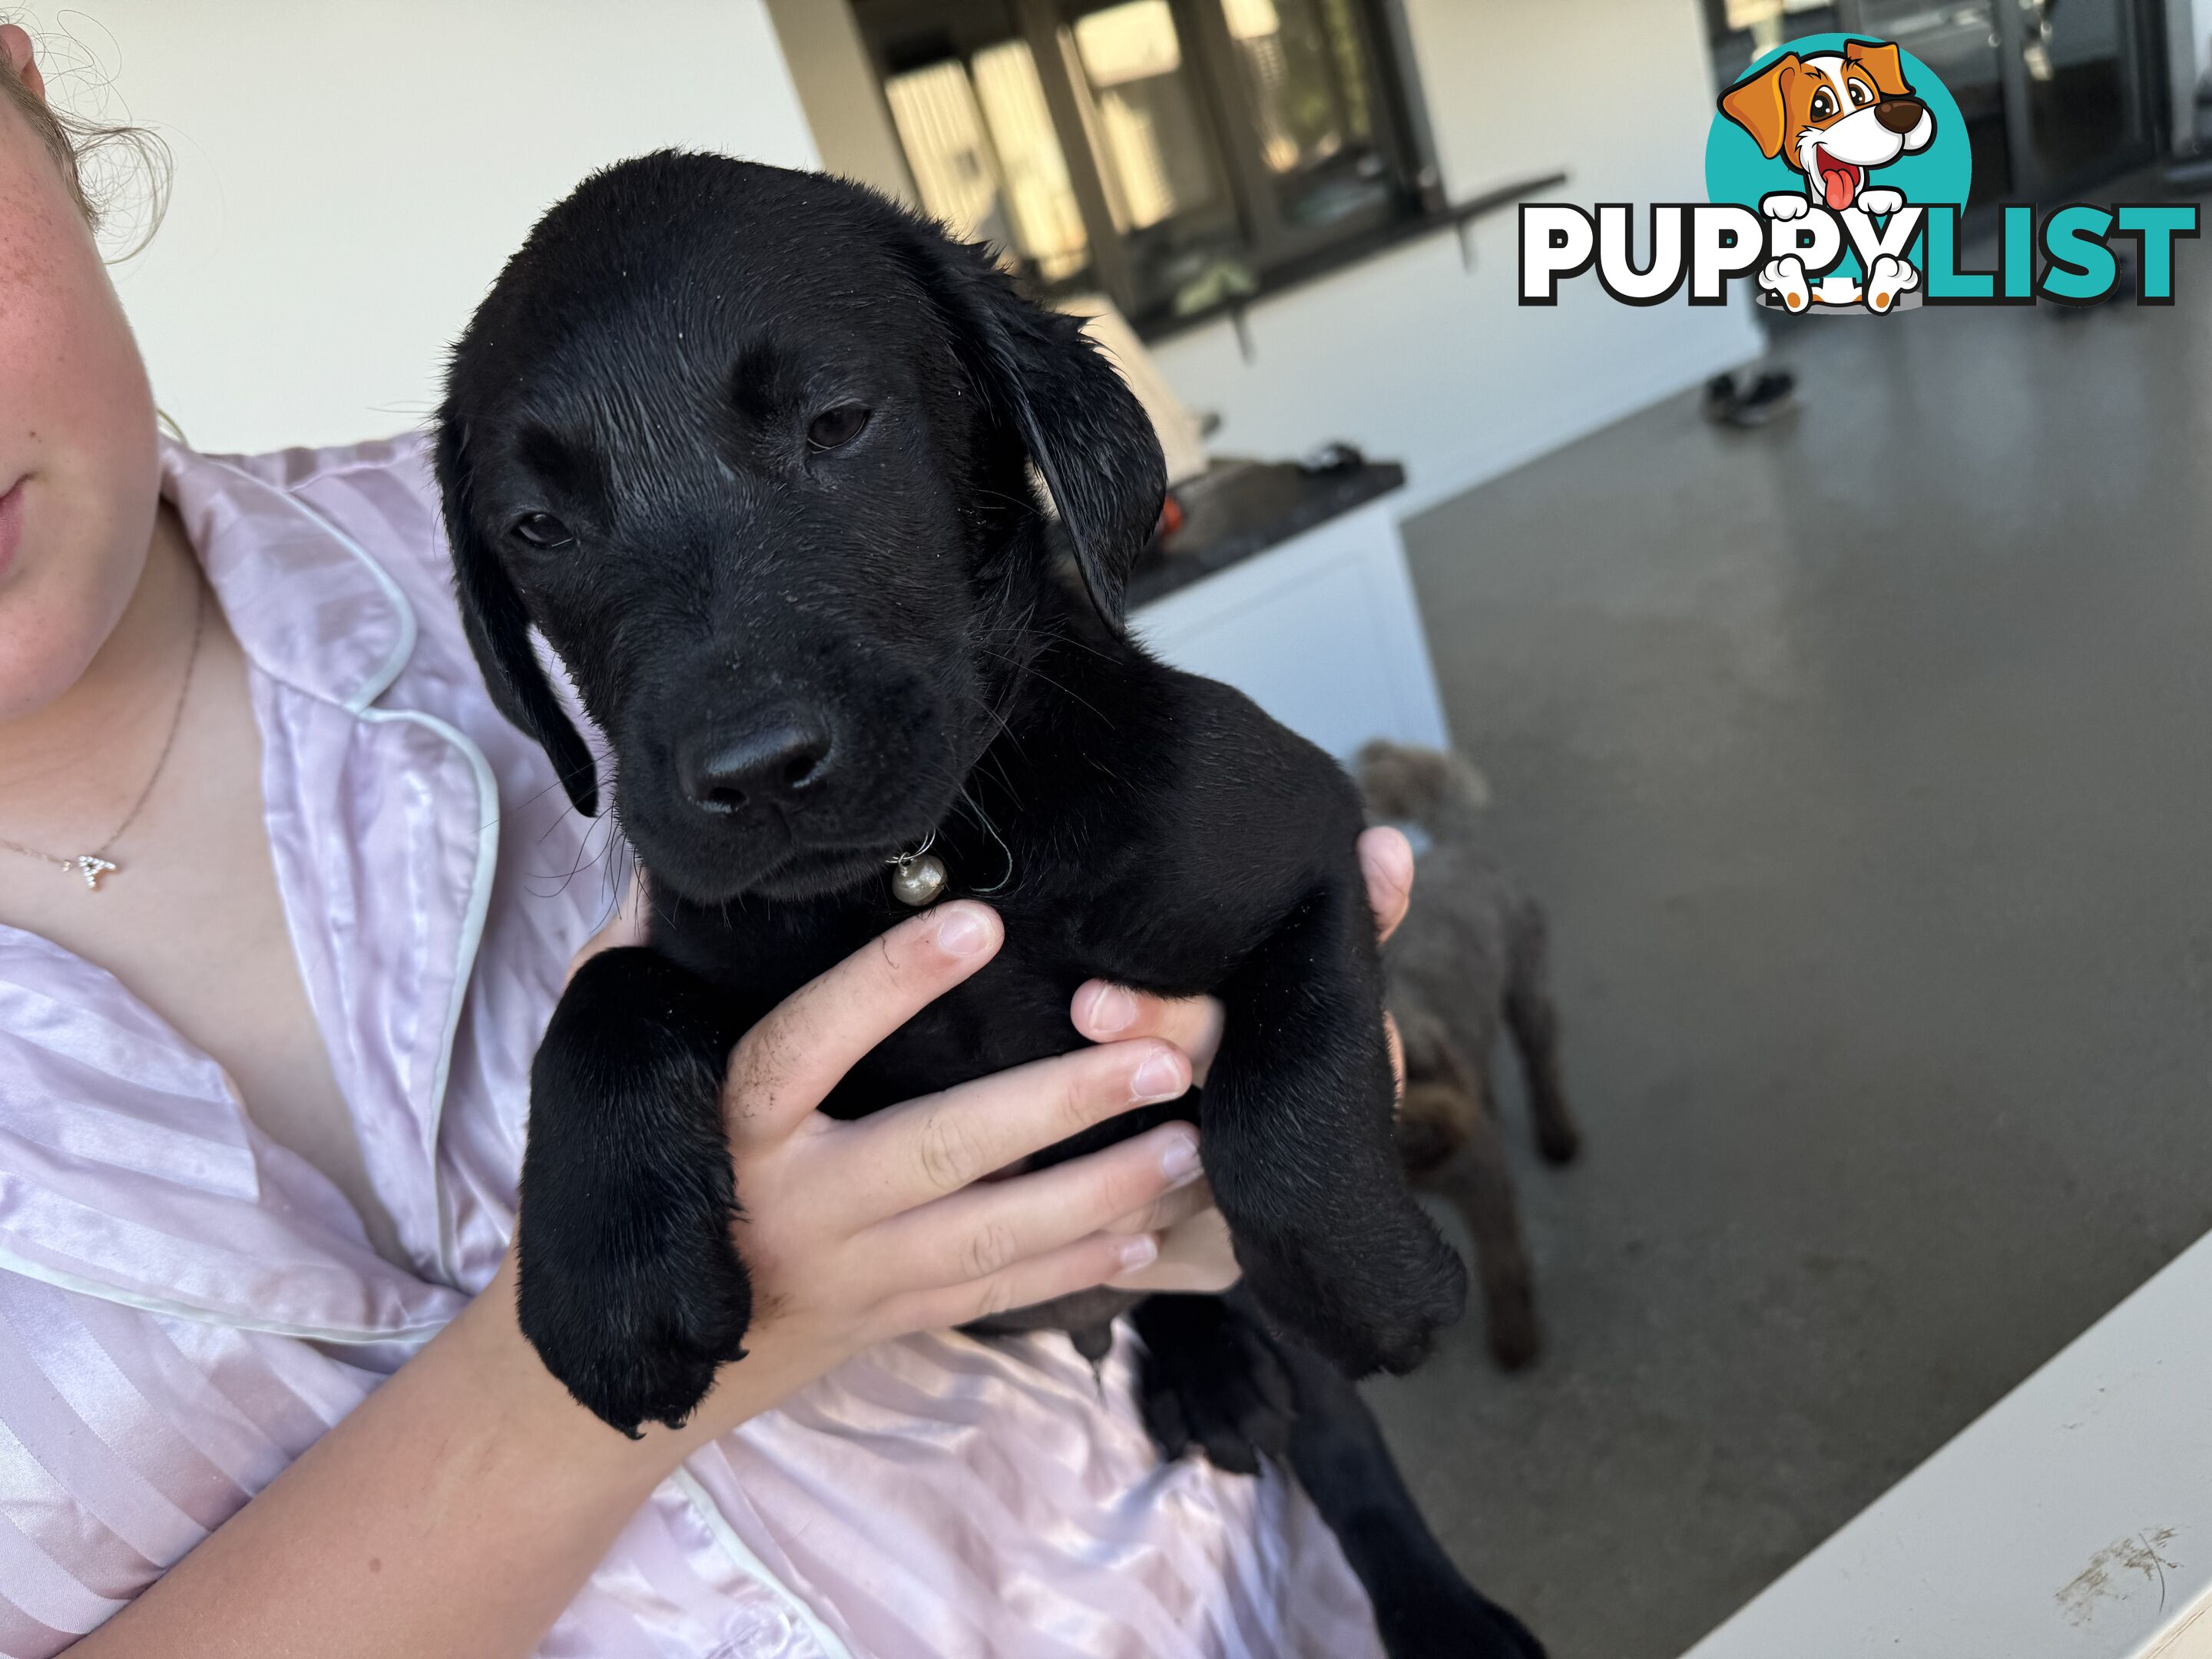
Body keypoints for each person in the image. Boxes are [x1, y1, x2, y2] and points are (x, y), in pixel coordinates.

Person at [0, 25, 1418, 1659]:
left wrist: (1255, 1130)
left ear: (24, 98)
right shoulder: (514, 535)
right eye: (553, 538)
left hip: (1216, 1599)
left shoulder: (482, 479)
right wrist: (579, 1397)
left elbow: (1215, 966)